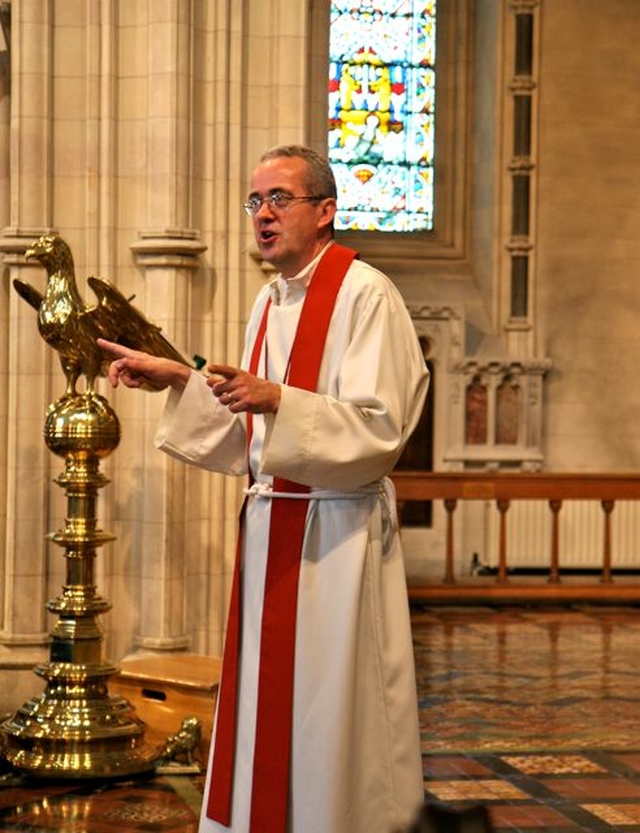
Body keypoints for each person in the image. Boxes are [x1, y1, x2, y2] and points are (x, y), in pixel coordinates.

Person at [98, 144, 429, 833]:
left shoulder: (367, 295)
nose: (263, 214)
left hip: (335, 540)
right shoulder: (268, 300)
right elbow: (252, 428)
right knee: (270, 706)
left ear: (326, 210)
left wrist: (280, 396)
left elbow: (381, 430)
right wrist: (179, 379)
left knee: (330, 713)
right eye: (255, 201)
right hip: (274, 527)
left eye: (280, 198)